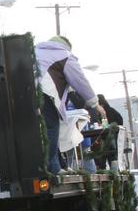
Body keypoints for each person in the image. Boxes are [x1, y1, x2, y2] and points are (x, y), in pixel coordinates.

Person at [34, 36, 107, 174]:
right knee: (52, 128)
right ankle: (53, 167)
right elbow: (80, 81)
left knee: (48, 128)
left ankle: (60, 164)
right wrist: (95, 104)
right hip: (46, 92)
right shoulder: (64, 55)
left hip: (27, 93)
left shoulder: (36, 51)